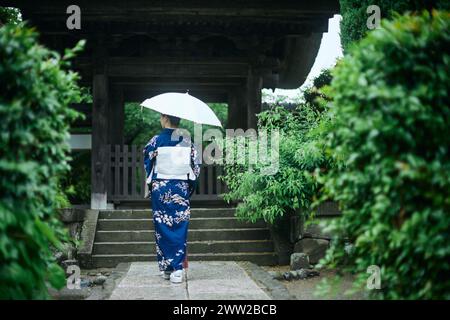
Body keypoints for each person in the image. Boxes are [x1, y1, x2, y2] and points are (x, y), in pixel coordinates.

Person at [143, 113, 200, 284]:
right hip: (180, 187)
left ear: (166, 118)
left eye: (161, 117)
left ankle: (170, 268)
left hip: (161, 188)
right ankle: (175, 268)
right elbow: (195, 167)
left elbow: (147, 161)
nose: (160, 120)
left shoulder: (156, 140)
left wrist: (152, 181)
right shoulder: (187, 140)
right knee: (180, 225)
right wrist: (189, 186)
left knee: (162, 226)